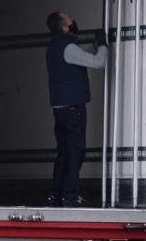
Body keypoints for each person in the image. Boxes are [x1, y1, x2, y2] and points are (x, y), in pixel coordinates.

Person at [44, 11, 107, 207]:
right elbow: (98, 62)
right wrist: (103, 45)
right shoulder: (68, 48)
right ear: (65, 27)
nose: (73, 20)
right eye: (69, 19)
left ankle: (56, 194)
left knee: (63, 153)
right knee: (75, 152)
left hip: (59, 108)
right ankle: (70, 195)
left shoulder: (53, 47)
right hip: (73, 109)